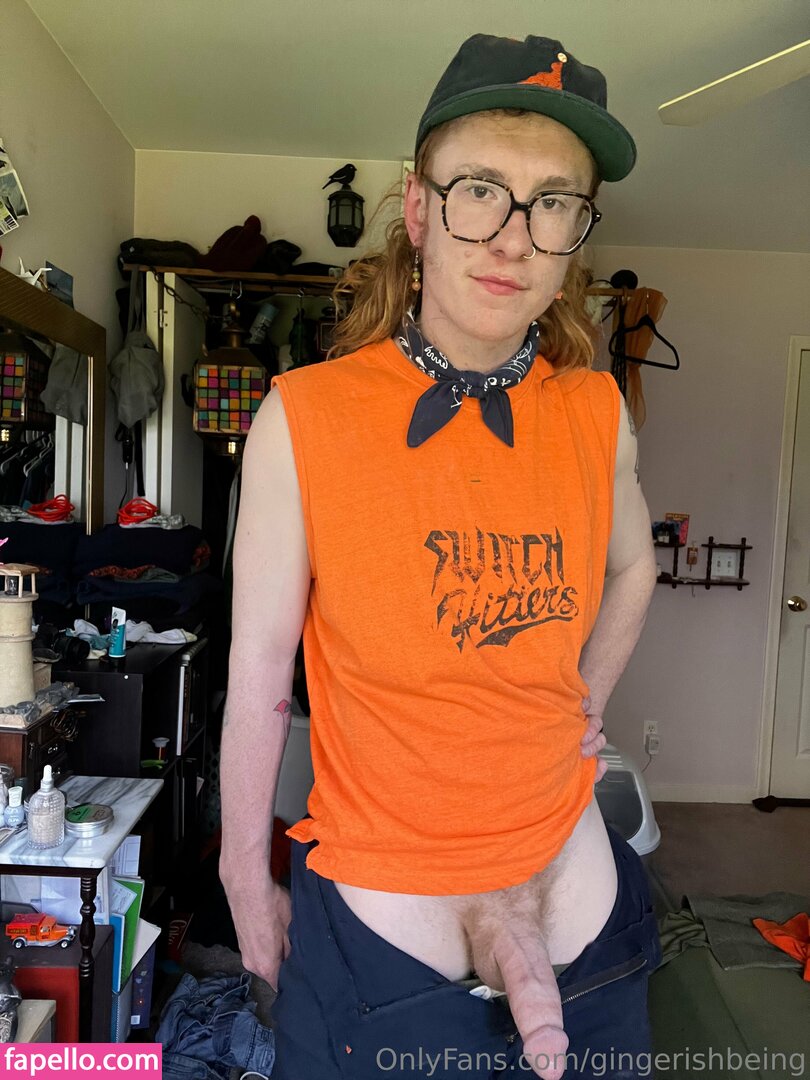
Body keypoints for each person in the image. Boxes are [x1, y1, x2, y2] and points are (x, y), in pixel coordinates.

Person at [220, 33, 661, 1080]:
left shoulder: (598, 411)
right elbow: (259, 671)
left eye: (553, 203)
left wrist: (587, 703)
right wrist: (243, 874)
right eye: (480, 191)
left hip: (585, 933)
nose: (513, 237)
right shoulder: (303, 418)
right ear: (419, 211)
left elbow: (634, 567)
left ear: (575, 237)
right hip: (383, 955)